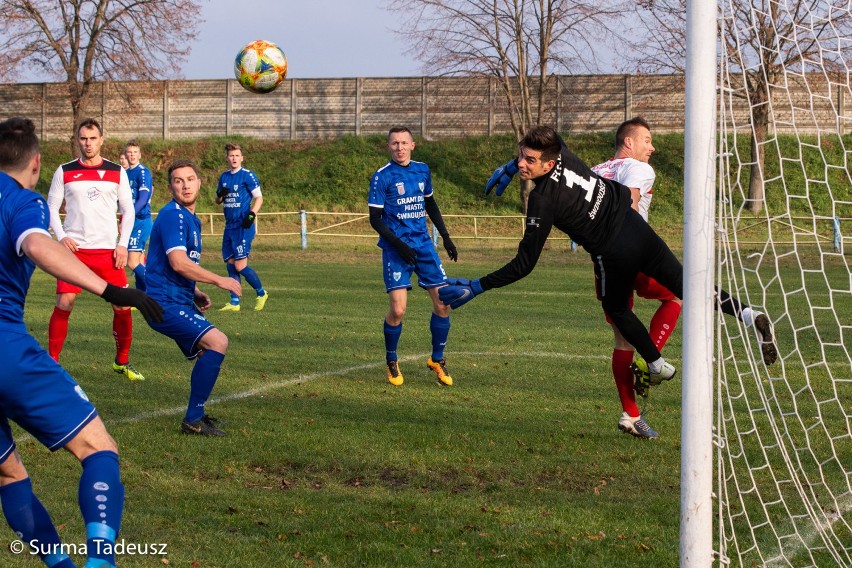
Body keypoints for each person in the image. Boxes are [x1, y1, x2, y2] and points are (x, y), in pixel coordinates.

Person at [441, 125, 777, 404]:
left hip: (614, 252)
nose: (522, 164)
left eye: (529, 160)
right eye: (520, 157)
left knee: (616, 308)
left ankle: (657, 363)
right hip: (641, 233)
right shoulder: (566, 156)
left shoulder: (542, 201)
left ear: (548, 163)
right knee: (687, 287)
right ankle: (749, 314)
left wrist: (478, 285)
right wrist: (513, 166)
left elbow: (525, 264)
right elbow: (554, 137)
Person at [0, 117, 163, 568]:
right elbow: (36, 244)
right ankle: (100, 561)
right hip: (5, 348)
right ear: (35, 163)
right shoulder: (23, 200)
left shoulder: (114, 171)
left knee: (8, 473)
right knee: (98, 448)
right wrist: (111, 288)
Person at [145, 160, 243, 436]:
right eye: (178, 180)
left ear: (200, 183)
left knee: (205, 351)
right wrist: (219, 279)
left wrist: (195, 290)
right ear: (170, 187)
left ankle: (196, 415)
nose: (185, 185)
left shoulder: (190, 218)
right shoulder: (172, 216)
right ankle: (192, 420)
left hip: (178, 298)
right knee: (217, 342)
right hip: (163, 303)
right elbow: (177, 262)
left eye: (190, 179)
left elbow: (170, 265)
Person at [46, 118, 145, 381]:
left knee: (121, 307)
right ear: (77, 140)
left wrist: (122, 245)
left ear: (101, 140)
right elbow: (51, 207)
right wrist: (62, 236)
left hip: (107, 252)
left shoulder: (116, 171)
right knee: (64, 303)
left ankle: (122, 362)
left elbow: (129, 210)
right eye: (83, 138)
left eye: (92, 138)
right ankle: (52, 363)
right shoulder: (64, 170)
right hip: (74, 251)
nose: (87, 144)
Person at [369, 126, 459, 386]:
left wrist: (446, 236)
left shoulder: (422, 170)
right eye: (394, 143)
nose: (399, 147)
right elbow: (375, 219)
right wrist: (398, 244)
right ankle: (391, 360)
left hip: (423, 245)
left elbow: (430, 203)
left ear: (412, 145)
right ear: (389, 147)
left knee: (444, 304)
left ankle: (437, 359)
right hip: (395, 248)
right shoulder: (381, 177)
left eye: (403, 142)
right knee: (398, 310)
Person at [215, 143, 268, 312]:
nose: (234, 158)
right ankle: (234, 302)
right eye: (231, 156)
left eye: (237, 155)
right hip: (229, 226)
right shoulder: (224, 177)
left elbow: (259, 198)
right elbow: (217, 201)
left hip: (243, 225)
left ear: (242, 158)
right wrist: (220, 195)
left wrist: (251, 214)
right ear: (227, 158)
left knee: (240, 266)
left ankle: (261, 293)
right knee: (231, 264)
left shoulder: (248, 175)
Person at [123, 140, 153, 291]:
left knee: (132, 262)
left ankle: (157, 287)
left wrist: (130, 214)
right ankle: (142, 296)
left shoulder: (143, 172)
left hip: (141, 220)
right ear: (125, 154)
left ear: (140, 155)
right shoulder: (126, 173)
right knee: (139, 261)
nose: (132, 155)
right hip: (132, 221)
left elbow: (143, 198)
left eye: (135, 152)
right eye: (129, 152)